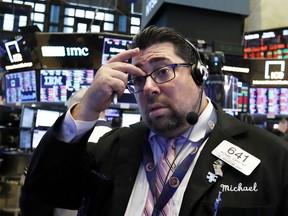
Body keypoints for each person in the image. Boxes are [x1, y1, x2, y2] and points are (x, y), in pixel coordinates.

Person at [20, 26, 288, 216]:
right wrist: (87, 109)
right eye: (138, 78)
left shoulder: (272, 156)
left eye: (162, 71)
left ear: (198, 74)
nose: (148, 87)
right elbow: (44, 192)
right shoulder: (111, 148)